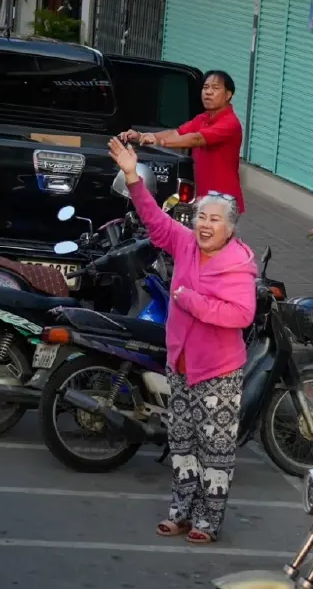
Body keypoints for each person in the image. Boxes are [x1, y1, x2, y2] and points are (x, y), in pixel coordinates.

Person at [107, 136, 257, 544]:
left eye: (214, 219)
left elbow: (241, 314)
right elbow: (154, 220)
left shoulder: (237, 265)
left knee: (216, 451)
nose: (204, 224)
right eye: (201, 216)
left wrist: (192, 301)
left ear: (229, 229)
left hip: (218, 372)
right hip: (181, 366)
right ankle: (180, 513)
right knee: (184, 446)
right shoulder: (185, 242)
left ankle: (209, 520)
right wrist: (132, 176)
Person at [119, 69, 245, 213]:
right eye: (205, 87)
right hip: (204, 198)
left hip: (224, 202)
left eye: (215, 88)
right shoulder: (203, 118)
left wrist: (158, 142)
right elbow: (176, 132)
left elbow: (196, 139)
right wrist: (143, 136)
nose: (208, 92)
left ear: (228, 95)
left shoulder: (230, 123)